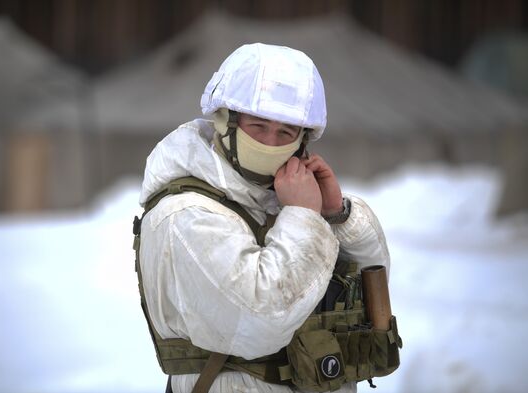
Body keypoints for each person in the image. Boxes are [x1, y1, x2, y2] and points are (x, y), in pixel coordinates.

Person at [136, 43, 391, 393]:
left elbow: (373, 288)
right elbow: (258, 320)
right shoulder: (185, 214)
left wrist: (334, 215)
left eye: (285, 132)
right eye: (258, 126)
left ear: (302, 140)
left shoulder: (279, 196)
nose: (271, 142)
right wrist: (302, 215)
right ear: (225, 121)